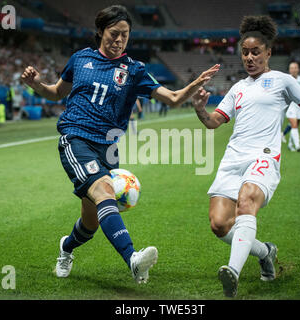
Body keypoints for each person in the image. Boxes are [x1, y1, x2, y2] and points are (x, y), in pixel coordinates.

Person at [21, 5, 219, 284]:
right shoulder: (80, 59)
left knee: (90, 223)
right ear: (100, 31)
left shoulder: (134, 70)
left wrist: (194, 83)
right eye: (114, 33)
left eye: (125, 35)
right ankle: (133, 260)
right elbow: (55, 93)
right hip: (76, 138)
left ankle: (66, 248)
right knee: (104, 192)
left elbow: (172, 98)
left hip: (108, 149)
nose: (119, 40)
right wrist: (36, 84)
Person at [192, 15, 300, 298]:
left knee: (246, 202)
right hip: (233, 159)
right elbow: (214, 122)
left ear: (268, 52)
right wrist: (200, 109)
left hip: (264, 156)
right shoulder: (237, 88)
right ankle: (266, 252)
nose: (250, 57)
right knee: (219, 224)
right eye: (245, 52)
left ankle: (233, 272)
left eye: (256, 52)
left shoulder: (282, 80)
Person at [281, 62, 300, 151]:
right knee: (294, 125)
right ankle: (298, 146)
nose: (293, 69)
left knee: (295, 125)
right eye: (292, 68)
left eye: (295, 67)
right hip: (290, 106)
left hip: (299, 106)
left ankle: (289, 144)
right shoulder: (286, 79)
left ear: (298, 69)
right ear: (289, 70)